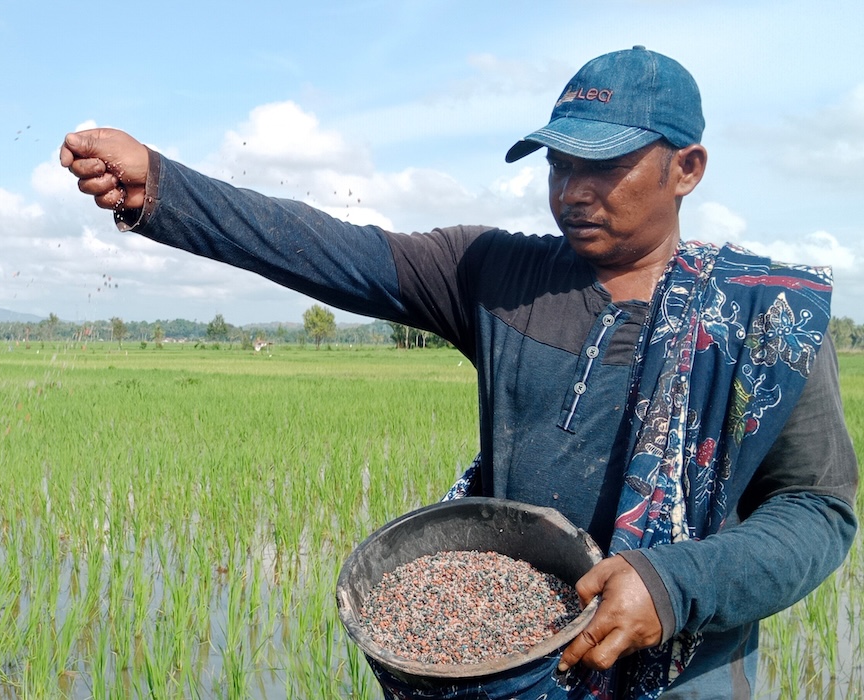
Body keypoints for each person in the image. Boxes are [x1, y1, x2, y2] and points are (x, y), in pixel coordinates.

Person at [59, 46, 858, 699]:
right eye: (558, 165)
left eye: (604, 166)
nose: (572, 191)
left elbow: (817, 511)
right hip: (507, 665)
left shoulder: (763, 319)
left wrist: (674, 585)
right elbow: (327, 249)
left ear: (687, 168)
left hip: (682, 671)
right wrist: (160, 188)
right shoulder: (495, 274)